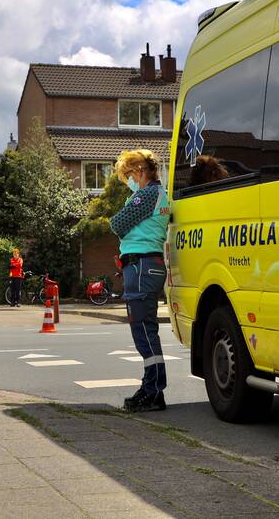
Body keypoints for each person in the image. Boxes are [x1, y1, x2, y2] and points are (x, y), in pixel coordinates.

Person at [110, 148, 171, 413]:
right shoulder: (159, 194)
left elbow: (117, 224)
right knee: (147, 330)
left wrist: (127, 215)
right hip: (148, 265)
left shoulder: (146, 195)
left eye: (129, 175)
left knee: (144, 331)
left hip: (142, 266)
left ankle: (153, 391)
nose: (128, 181)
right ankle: (152, 389)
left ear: (140, 171)